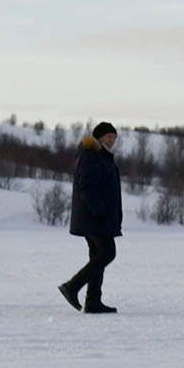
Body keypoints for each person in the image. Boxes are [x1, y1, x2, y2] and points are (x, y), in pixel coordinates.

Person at [59, 121, 122, 314]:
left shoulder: (102, 157)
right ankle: (72, 286)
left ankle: (93, 301)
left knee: (98, 255)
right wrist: (99, 211)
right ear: (99, 137)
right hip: (94, 218)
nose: (111, 140)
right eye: (108, 136)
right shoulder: (92, 156)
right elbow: (86, 186)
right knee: (107, 253)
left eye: (114, 137)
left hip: (98, 217)